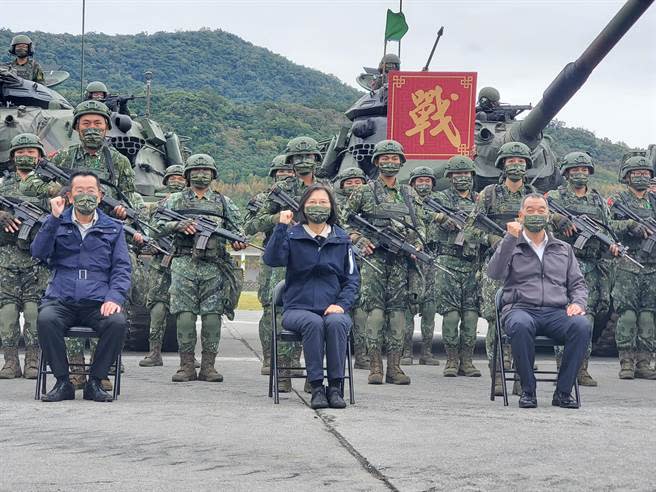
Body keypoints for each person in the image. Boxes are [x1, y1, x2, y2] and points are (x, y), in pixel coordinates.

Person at [32, 171, 131, 402]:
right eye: (79, 191)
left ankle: (95, 382)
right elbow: (38, 252)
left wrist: (114, 298)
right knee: (46, 319)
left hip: (97, 301)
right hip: (61, 298)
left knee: (117, 322)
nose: (85, 196)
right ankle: (63, 381)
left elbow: (122, 268)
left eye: (91, 191)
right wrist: (54, 219)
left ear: (100, 195)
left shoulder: (113, 228)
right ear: (69, 196)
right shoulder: (56, 222)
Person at [487, 193, 591, 409]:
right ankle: (528, 390)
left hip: (556, 312)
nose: (536, 214)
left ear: (548, 214)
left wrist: (578, 304)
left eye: (541, 210)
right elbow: (494, 273)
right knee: (520, 325)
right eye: (530, 210)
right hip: (521, 309)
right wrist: (509, 239)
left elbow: (578, 285)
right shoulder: (511, 245)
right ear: (520, 215)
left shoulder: (563, 249)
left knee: (581, 325)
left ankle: (563, 392)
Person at [263, 184, 359, 409]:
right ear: (303, 207)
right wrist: (280, 227)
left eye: (323, 202)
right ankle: (316, 387)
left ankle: (335, 388)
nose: (318, 207)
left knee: (336, 323)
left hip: (333, 307)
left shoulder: (341, 239)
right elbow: (272, 259)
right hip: (297, 308)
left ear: (332, 207)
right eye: (312, 202)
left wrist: (341, 305)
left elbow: (352, 280)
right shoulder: (292, 235)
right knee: (313, 323)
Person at [341, 139, 424, 386]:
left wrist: (418, 244)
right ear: (377, 162)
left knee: (398, 315)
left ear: (401, 162)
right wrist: (359, 238)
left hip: (401, 262)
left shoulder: (409, 193)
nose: (390, 162)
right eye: (385, 158)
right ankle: (375, 366)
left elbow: (420, 224)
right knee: (374, 313)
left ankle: (395, 367)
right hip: (373, 260)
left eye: (394, 158)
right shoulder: (363, 192)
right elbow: (344, 222)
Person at [157, 154, 246, 383]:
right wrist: (177, 225)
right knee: (184, 315)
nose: (201, 174)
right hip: (184, 263)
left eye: (206, 170)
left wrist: (238, 242)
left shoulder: (224, 202)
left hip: (214, 265)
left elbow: (238, 231)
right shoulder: (174, 200)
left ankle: (209, 367)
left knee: (212, 316)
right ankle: (186, 366)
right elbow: (153, 228)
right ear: (187, 174)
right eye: (196, 170)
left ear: (213, 175)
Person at [547, 151, 630, 386]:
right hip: (562, 265)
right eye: (575, 170)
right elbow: (537, 214)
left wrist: (612, 247)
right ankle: (564, 369)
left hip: (591, 268)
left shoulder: (597, 201)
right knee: (564, 316)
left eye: (584, 170)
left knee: (588, 318)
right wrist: (557, 219)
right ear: (566, 173)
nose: (580, 173)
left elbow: (608, 229)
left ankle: (581, 369)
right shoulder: (555, 197)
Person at [463, 141, 536, 395]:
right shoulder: (489, 195)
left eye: (520, 161)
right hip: (496, 267)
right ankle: (498, 375)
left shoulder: (533, 198)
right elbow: (470, 229)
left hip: (526, 266)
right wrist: (493, 240)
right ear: (503, 165)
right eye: (511, 161)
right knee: (496, 322)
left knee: (526, 320)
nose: (516, 166)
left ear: (527, 165)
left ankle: (521, 377)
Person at [0, 133, 50, 379]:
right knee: (7, 314)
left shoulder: (46, 187)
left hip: (36, 261)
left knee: (34, 313)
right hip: (6, 259)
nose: (26, 156)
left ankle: (33, 361)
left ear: (40, 157)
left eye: (31, 152)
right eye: (20, 152)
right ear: (12, 157)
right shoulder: (3, 185)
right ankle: (10, 362)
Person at [243, 154, 295, 378]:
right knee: (270, 308)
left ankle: (292, 360)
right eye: (279, 172)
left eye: (287, 172)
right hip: (274, 258)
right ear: (273, 175)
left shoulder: (312, 194)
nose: (284, 175)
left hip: (302, 256)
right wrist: (276, 218)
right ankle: (269, 358)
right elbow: (250, 225)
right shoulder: (264, 199)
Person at [430, 156, 482, 377]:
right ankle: (451, 360)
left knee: (470, 316)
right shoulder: (439, 198)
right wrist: (441, 218)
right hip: (448, 261)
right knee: (451, 316)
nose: (463, 178)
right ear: (450, 177)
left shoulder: (480, 201)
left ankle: (467, 362)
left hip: (472, 263)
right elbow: (420, 210)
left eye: (467, 174)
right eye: (458, 175)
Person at [608, 156, 656, 380]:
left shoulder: (654, 201)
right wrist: (630, 225)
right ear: (627, 176)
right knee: (627, 314)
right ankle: (626, 362)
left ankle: (644, 362)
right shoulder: (619, 200)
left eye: (645, 173)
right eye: (636, 173)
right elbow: (607, 225)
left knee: (648, 315)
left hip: (652, 266)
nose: (642, 177)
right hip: (628, 263)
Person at [138, 164, 186, 367]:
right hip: (162, 260)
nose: (176, 181)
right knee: (158, 305)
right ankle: (154, 351)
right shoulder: (157, 204)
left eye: (180, 177)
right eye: (173, 177)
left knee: (187, 310)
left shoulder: (196, 201)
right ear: (165, 180)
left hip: (186, 260)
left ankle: (188, 357)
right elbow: (149, 229)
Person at [332, 167, 368, 369]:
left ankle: (361, 355)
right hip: (340, 259)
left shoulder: (369, 202)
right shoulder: (334, 204)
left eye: (358, 181)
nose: (354, 186)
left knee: (361, 309)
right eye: (349, 182)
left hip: (364, 259)